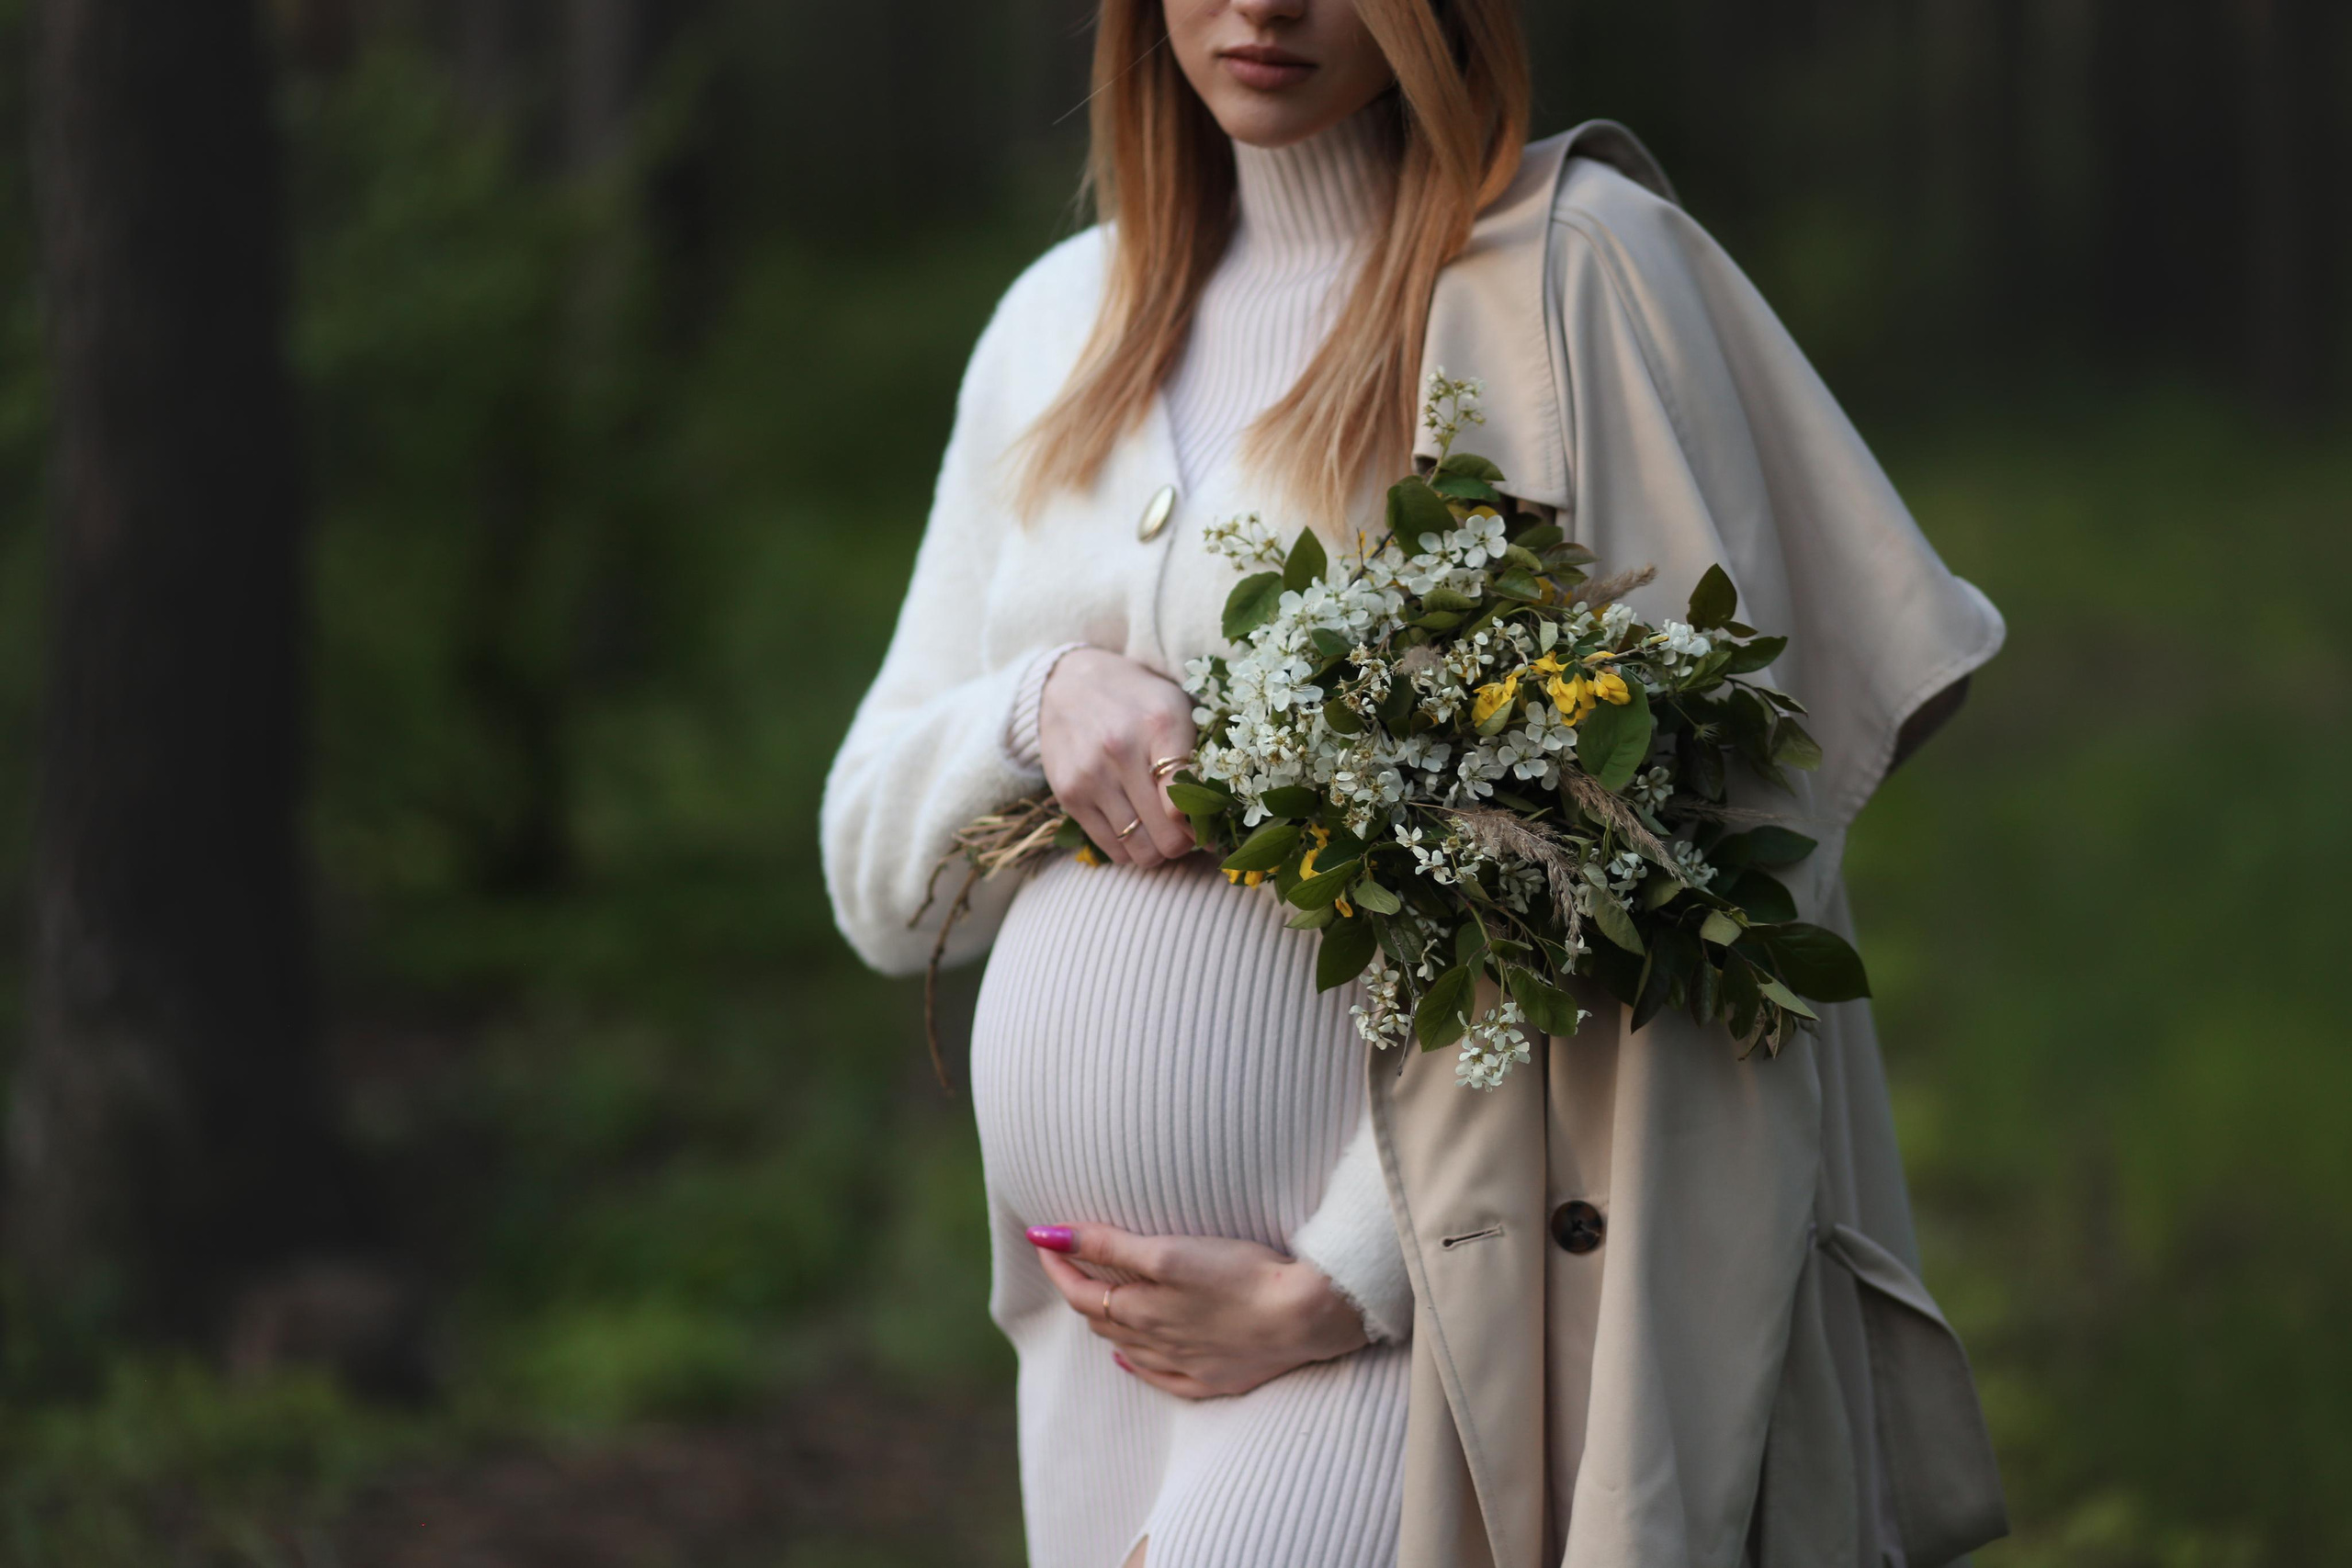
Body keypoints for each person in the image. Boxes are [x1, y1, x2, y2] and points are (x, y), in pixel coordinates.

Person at [822, 4, 2009, 1566]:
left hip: (1431, 1340)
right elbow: (878, 883)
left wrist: (1356, 1279)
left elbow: (1694, 861)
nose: (1265, 9)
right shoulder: (1059, 320)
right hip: (1102, 1352)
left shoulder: (1566, 276)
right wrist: (1039, 707)